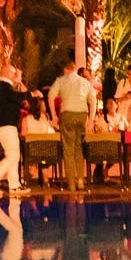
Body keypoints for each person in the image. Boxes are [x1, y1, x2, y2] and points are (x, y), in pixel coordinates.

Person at [49, 60, 98, 189]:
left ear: (65, 70)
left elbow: (50, 96)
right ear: (75, 69)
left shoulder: (61, 80)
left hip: (68, 115)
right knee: (78, 148)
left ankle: (71, 183)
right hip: (82, 115)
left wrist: (54, 116)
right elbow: (93, 101)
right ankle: (80, 180)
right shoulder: (85, 82)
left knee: (68, 150)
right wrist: (91, 120)